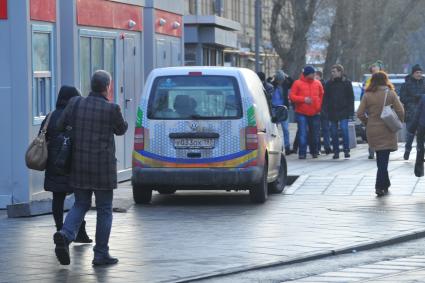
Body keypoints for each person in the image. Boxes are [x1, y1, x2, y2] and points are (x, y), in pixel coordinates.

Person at [53, 70, 128, 266]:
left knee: (80, 203)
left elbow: (61, 125)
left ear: (91, 85)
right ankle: (100, 253)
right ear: (107, 87)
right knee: (104, 209)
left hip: (79, 164)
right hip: (102, 168)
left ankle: (65, 234)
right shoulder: (112, 108)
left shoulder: (75, 103)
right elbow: (121, 130)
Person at [40, 86, 92, 243]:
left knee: (57, 198)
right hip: (74, 163)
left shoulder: (50, 116)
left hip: (54, 164)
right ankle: (80, 232)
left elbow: (41, 137)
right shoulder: (76, 116)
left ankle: (59, 230)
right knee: (80, 200)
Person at [357, 71, 404, 197]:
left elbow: (360, 113)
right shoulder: (391, 93)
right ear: (385, 80)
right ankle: (379, 186)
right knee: (384, 159)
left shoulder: (367, 95)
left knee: (380, 157)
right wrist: (398, 121)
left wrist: (368, 122)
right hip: (387, 128)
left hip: (373, 129)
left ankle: (385, 183)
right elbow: (401, 110)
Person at [290, 65, 324, 159]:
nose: (314, 75)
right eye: (312, 73)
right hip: (301, 112)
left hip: (315, 112)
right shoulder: (297, 83)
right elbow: (292, 96)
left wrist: (319, 106)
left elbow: (322, 95)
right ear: (307, 74)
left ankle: (314, 151)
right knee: (302, 133)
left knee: (315, 133)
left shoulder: (318, 83)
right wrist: (303, 99)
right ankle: (302, 153)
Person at [323, 64, 355, 159]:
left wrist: (351, 112)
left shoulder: (347, 83)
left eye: (334, 71)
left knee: (345, 130)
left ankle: (346, 150)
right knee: (333, 132)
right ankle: (336, 151)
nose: (332, 73)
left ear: (340, 72)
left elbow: (351, 98)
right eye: (332, 72)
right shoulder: (329, 83)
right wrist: (325, 110)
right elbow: (326, 98)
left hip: (343, 111)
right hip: (332, 111)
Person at [400, 64, 425, 161]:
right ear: (413, 73)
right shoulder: (406, 84)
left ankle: (421, 154)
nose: (419, 74)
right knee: (410, 133)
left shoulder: (424, 83)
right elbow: (402, 98)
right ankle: (407, 150)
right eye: (417, 72)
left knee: (422, 135)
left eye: (420, 72)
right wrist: (415, 98)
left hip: (423, 113)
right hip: (411, 112)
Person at [362, 61, 383, 159]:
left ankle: (380, 149)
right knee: (371, 131)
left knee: (381, 130)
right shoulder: (368, 81)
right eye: (373, 68)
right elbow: (364, 94)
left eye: (376, 68)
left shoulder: (384, 80)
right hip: (371, 109)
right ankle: (371, 149)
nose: (374, 69)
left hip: (382, 109)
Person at [272, 70, 293, 155]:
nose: (280, 82)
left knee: (286, 129)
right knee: (274, 129)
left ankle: (287, 147)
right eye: (279, 80)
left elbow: (292, 82)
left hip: (283, 109)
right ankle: (275, 146)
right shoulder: (272, 85)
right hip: (274, 109)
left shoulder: (285, 85)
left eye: (282, 80)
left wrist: (286, 75)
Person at [408, 94, 425, 177]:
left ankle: (419, 171)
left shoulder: (423, 98)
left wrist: (412, 128)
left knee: (420, 148)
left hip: (422, 126)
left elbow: (417, 113)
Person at [315, 70, 331, 155]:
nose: (315, 78)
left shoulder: (324, 85)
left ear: (320, 77)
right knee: (320, 130)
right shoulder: (323, 85)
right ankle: (321, 148)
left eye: (316, 76)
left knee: (324, 130)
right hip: (320, 110)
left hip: (323, 110)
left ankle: (325, 147)